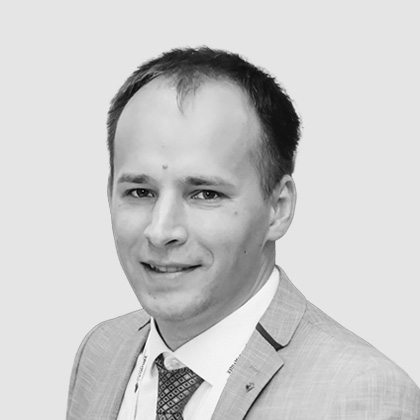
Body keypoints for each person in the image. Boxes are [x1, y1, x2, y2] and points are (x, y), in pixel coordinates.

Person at [66, 47, 420, 420]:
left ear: (278, 208)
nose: (161, 230)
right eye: (140, 192)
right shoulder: (101, 351)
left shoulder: (360, 395)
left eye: (205, 194)